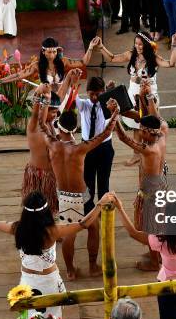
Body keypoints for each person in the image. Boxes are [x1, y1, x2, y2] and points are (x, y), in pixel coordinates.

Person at [0, 190, 107, 319]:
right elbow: (83, 224)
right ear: (46, 211)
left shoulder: (17, 228)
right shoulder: (53, 231)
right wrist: (100, 204)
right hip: (50, 282)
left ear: (25, 212)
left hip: (28, 282)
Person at [34, 85, 119, 280]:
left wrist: (46, 101)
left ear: (59, 126)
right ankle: (92, 265)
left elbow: (41, 122)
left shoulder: (52, 143)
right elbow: (105, 134)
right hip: (82, 196)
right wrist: (115, 114)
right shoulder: (80, 148)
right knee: (93, 227)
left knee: (68, 234)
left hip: (63, 196)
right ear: (75, 128)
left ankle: (71, 271)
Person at [99, 32, 176, 165]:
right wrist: (101, 47)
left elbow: (171, 63)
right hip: (133, 95)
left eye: (140, 44)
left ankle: (152, 152)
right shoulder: (131, 54)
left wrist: (174, 44)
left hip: (149, 97)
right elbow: (112, 58)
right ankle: (136, 155)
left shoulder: (153, 58)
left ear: (147, 45)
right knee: (136, 126)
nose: (138, 46)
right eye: (136, 44)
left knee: (149, 125)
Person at [112, 83, 169, 270]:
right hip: (161, 188)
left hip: (151, 195)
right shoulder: (162, 134)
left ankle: (154, 262)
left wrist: (115, 115)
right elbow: (156, 118)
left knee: (150, 228)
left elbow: (123, 138)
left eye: (142, 130)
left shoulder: (148, 150)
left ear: (146, 132)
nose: (139, 133)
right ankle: (157, 254)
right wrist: (149, 97)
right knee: (156, 226)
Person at [0, 37, 97, 105]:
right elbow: (18, 75)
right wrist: (0, 81)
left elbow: (83, 62)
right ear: (43, 51)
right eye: (49, 52)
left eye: (54, 52)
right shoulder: (36, 65)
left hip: (63, 98)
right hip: (46, 100)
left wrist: (91, 47)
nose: (52, 55)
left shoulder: (63, 62)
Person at [74, 77, 116, 225]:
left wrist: (110, 92)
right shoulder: (83, 105)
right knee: (87, 182)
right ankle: (89, 211)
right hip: (87, 148)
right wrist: (72, 81)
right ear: (87, 92)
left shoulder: (106, 106)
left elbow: (117, 107)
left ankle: (104, 210)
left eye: (97, 94)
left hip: (105, 147)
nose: (94, 97)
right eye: (91, 93)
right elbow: (72, 96)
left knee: (104, 182)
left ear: (102, 92)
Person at [21, 84, 61, 214]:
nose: (55, 115)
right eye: (52, 111)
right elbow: (36, 111)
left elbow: (61, 96)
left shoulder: (50, 126)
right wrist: (40, 94)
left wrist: (67, 80)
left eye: (56, 112)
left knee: (49, 209)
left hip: (49, 175)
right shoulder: (34, 125)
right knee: (33, 208)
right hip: (35, 174)